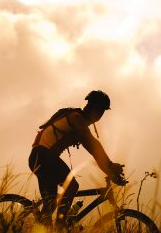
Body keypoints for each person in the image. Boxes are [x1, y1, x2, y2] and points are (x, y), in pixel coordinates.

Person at [31, 90, 127, 220]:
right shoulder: (77, 118)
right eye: (100, 111)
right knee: (72, 186)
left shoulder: (79, 121)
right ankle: (60, 227)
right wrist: (110, 166)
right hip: (44, 157)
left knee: (50, 205)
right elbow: (94, 145)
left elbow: (94, 152)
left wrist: (110, 172)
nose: (101, 115)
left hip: (39, 158)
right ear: (93, 108)